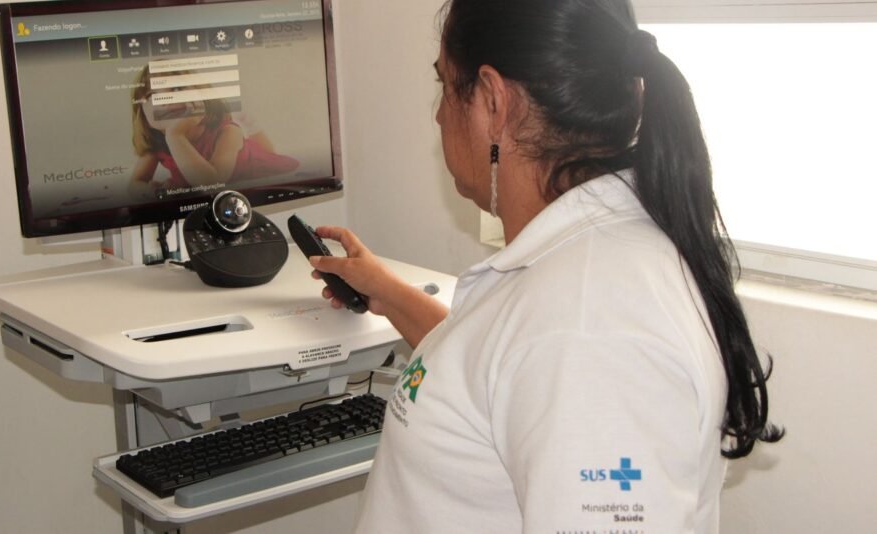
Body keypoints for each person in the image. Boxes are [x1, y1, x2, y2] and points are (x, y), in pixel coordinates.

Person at [307, 1, 782, 532]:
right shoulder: (586, 263)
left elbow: (560, 358)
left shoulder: (589, 329)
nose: (438, 116)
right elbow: (500, 376)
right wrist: (388, 293)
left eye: (444, 84)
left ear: (493, 101)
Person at [127, 66, 299, 199]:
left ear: (202, 97)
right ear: (142, 115)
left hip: (258, 171)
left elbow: (211, 184)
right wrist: (152, 191)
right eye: (151, 95)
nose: (164, 100)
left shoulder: (228, 132)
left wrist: (175, 136)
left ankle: (252, 124)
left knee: (267, 153)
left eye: (177, 89)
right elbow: (134, 184)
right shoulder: (157, 144)